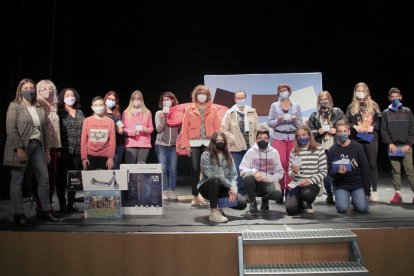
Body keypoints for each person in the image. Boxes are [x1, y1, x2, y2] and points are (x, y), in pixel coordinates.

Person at [3, 78, 59, 225]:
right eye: (26, 88)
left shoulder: (38, 108)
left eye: (31, 88)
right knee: (17, 181)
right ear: (20, 90)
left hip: (37, 146)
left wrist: (47, 150)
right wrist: (19, 148)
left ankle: (46, 210)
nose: (30, 90)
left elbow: (44, 130)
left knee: (44, 179)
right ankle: (19, 213)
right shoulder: (15, 106)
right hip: (21, 147)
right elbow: (11, 129)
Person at [180, 85, 221, 206]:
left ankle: (205, 195)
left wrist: (218, 143)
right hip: (193, 142)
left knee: (207, 170)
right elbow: (184, 128)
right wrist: (186, 145)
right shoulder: (189, 109)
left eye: (204, 93)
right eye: (199, 93)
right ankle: (195, 196)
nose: (201, 95)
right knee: (195, 169)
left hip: (209, 143)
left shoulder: (212, 109)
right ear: (196, 95)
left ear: (207, 95)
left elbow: (217, 127)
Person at [197, 131, 247, 223]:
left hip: (224, 187)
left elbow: (233, 176)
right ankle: (214, 212)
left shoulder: (228, 156)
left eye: (222, 140)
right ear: (213, 142)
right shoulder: (206, 155)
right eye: (217, 140)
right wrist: (229, 186)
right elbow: (213, 175)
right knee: (215, 179)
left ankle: (218, 206)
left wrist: (234, 189)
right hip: (207, 187)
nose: (220, 142)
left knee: (242, 203)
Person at [307, 91, 346, 204]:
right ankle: (329, 194)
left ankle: (339, 192)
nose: (324, 101)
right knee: (326, 172)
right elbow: (308, 131)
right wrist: (317, 131)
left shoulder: (337, 112)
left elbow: (346, 125)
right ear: (319, 101)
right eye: (322, 99)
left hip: (335, 145)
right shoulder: (314, 115)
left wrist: (336, 130)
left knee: (338, 169)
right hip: (321, 147)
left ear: (330, 100)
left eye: (326, 99)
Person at [346, 82, 381, 202]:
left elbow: (379, 121)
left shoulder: (374, 105)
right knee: (360, 165)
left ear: (367, 92)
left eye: (362, 90)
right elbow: (347, 123)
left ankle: (374, 191)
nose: (360, 92)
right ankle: (363, 191)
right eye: (358, 90)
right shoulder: (351, 107)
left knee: (372, 164)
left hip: (370, 137)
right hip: (357, 138)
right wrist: (354, 126)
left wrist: (373, 127)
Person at [268, 83, 303, 202]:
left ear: (289, 91)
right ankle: (280, 190)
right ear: (278, 93)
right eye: (281, 90)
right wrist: (278, 121)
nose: (283, 92)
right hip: (278, 137)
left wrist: (294, 121)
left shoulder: (296, 106)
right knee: (281, 163)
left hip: (292, 137)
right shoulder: (274, 105)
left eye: (285, 90)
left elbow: (300, 124)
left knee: (291, 164)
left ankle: (289, 190)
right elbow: (269, 123)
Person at [221, 90, 260, 196]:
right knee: (238, 170)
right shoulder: (230, 112)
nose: (240, 100)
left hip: (250, 145)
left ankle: (250, 192)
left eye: (242, 98)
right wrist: (232, 137)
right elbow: (224, 129)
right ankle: (241, 192)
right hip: (236, 145)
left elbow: (257, 128)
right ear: (235, 99)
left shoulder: (252, 111)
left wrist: (257, 142)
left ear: (245, 98)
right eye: (238, 98)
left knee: (250, 169)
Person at [327, 120, 370, 213]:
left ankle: (356, 200)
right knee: (342, 208)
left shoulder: (357, 147)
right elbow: (329, 171)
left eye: (344, 131)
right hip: (341, 185)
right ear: (336, 133)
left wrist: (367, 191)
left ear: (349, 132)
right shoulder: (332, 150)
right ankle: (345, 199)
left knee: (363, 208)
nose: (342, 133)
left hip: (357, 184)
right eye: (339, 131)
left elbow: (365, 168)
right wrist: (337, 172)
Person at [239, 127, 284, 215]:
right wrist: (254, 172)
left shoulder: (274, 152)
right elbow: (242, 168)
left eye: (265, 138)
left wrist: (269, 178)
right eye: (260, 138)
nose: (262, 140)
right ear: (256, 140)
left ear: (268, 140)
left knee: (277, 193)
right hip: (255, 183)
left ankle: (265, 200)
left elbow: (280, 172)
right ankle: (253, 203)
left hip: (268, 183)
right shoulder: (251, 152)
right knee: (248, 177)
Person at [381, 87, 414, 204]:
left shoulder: (407, 111)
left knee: (410, 170)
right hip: (393, 147)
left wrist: (408, 144)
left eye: (397, 97)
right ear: (389, 98)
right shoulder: (386, 113)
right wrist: (390, 143)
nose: (395, 99)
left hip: (406, 147)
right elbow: (384, 131)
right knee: (395, 171)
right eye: (392, 97)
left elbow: (412, 130)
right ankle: (398, 194)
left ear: (400, 97)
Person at [286, 125, 327, 215]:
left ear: (309, 135)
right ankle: (301, 203)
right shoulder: (294, 151)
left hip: (312, 184)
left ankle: (309, 202)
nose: (301, 137)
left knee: (307, 194)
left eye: (303, 135)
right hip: (297, 184)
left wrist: (310, 180)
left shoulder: (319, 149)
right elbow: (290, 172)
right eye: (299, 136)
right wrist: (294, 172)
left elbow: (324, 172)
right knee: (290, 209)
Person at [35, 79, 61, 214]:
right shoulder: (37, 104)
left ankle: (48, 205)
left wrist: (56, 148)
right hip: (41, 146)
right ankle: (40, 205)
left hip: (53, 146)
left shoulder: (55, 106)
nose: (48, 91)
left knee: (52, 176)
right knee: (42, 176)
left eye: (50, 89)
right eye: (44, 88)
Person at [57, 88, 84, 212]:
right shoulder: (59, 112)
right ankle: (62, 203)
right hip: (63, 150)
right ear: (62, 98)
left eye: (72, 95)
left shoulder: (80, 113)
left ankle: (71, 202)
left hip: (78, 150)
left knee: (74, 178)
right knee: (62, 178)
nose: (70, 97)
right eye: (67, 95)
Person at [154, 92, 180, 200]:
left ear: (173, 100)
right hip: (161, 145)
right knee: (163, 169)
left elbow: (180, 128)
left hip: (174, 145)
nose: (166, 102)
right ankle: (164, 191)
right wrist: (163, 117)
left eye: (168, 100)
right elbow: (158, 129)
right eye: (164, 100)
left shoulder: (177, 113)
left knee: (173, 169)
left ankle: (172, 191)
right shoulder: (158, 113)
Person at [81, 96, 116, 170]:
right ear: (92, 107)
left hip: (105, 156)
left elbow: (112, 141)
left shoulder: (110, 122)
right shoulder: (87, 121)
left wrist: (110, 157)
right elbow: (84, 140)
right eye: (96, 105)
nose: (98, 107)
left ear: (104, 106)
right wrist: (84, 158)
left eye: (100, 105)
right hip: (90, 156)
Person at [122, 90, 153, 164]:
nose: (136, 101)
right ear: (131, 100)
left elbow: (151, 127)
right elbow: (122, 128)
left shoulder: (147, 112)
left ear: (141, 100)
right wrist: (129, 133)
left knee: (141, 168)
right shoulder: (125, 113)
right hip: (130, 144)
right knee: (130, 168)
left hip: (144, 144)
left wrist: (147, 130)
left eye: (138, 99)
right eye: (134, 99)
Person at [103, 91, 124, 169]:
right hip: (104, 146)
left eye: (113, 100)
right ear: (105, 99)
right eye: (109, 98)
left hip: (117, 145)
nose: (111, 101)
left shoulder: (117, 114)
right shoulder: (100, 113)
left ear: (116, 102)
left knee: (115, 170)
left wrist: (121, 131)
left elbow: (121, 130)